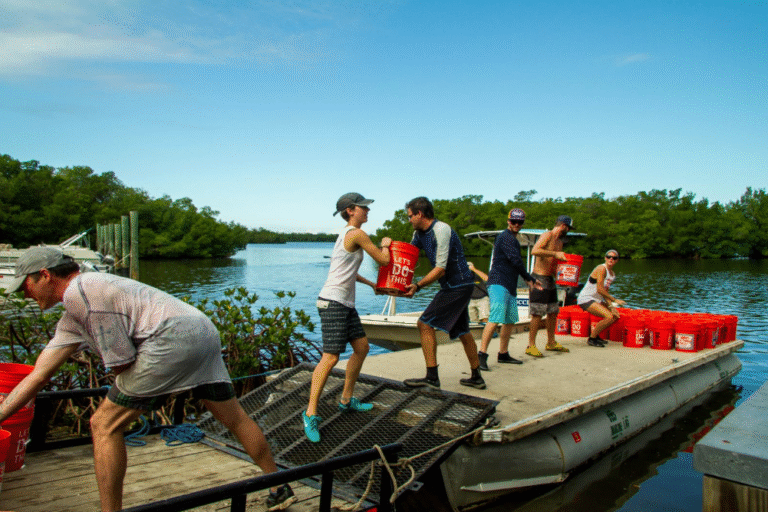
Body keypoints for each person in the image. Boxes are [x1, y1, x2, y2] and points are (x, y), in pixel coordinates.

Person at [0, 247, 296, 512]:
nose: (23, 294)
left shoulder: (81, 292)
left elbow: (124, 363)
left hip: (171, 338)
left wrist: (139, 391)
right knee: (233, 417)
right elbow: (38, 376)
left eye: (24, 286)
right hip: (201, 330)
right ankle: (278, 486)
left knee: (103, 425)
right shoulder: (76, 312)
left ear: (44, 275)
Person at [303, 193, 392, 443]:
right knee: (330, 358)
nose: (368, 211)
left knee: (362, 348)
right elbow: (384, 259)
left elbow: (345, 271)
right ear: (351, 210)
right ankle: (310, 413)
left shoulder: (346, 235)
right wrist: (386, 243)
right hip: (333, 303)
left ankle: (346, 399)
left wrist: (370, 283)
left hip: (344, 303)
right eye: (364, 208)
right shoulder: (355, 233)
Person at [401, 197, 486, 390]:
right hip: (454, 286)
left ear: (419, 214)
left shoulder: (441, 230)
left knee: (424, 324)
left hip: (459, 285)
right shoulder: (419, 233)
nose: (409, 220)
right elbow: (407, 255)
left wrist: (418, 285)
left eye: (410, 216)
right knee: (463, 331)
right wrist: (387, 248)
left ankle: (431, 378)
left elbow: (440, 269)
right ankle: (477, 377)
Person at [477, 209, 541, 370]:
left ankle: (503, 354)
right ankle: (481, 355)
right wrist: (530, 278)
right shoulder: (505, 237)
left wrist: (526, 279)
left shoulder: (514, 240)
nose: (516, 225)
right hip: (498, 283)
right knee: (495, 318)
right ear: (508, 221)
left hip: (510, 285)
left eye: (520, 222)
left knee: (510, 320)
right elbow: (516, 261)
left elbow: (515, 263)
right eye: (514, 221)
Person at [526, 215, 573, 357]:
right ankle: (531, 345)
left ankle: (551, 342)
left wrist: (565, 276)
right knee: (537, 313)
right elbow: (535, 250)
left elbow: (554, 261)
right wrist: (555, 253)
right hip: (539, 277)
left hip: (550, 279)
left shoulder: (559, 242)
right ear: (564, 226)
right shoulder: (547, 235)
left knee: (553, 311)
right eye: (568, 228)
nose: (568, 231)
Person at [576, 249, 627, 346]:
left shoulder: (612, 274)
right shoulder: (601, 268)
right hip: (586, 299)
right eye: (609, 256)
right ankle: (592, 339)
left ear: (617, 260)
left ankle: (596, 335)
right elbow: (600, 289)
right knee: (609, 316)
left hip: (596, 300)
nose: (611, 259)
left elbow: (605, 292)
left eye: (614, 257)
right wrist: (614, 300)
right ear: (605, 258)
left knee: (614, 316)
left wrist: (611, 306)